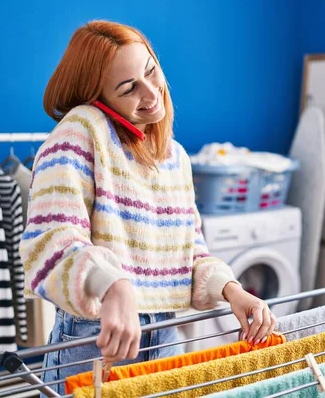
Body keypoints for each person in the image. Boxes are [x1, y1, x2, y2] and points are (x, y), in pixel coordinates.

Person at [19, 20, 277, 393]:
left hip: (165, 334)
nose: (151, 93)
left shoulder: (174, 157)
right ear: (98, 98)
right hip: (97, 340)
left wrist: (233, 291)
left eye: (150, 71)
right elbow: (51, 241)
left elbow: (190, 254)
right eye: (128, 88)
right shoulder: (80, 132)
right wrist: (115, 285)